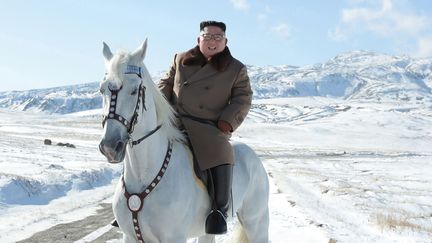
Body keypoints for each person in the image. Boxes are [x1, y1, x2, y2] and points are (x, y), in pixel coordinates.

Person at [158, 20, 252, 234]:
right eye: (208, 36)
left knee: (222, 152)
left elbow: (243, 98)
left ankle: (218, 212)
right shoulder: (180, 59)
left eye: (217, 37)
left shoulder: (236, 69)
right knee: (141, 141)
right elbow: (165, 83)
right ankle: (130, 202)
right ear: (199, 39)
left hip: (208, 126)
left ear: (225, 41)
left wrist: (226, 122)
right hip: (174, 121)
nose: (212, 41)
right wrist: (159, 105)